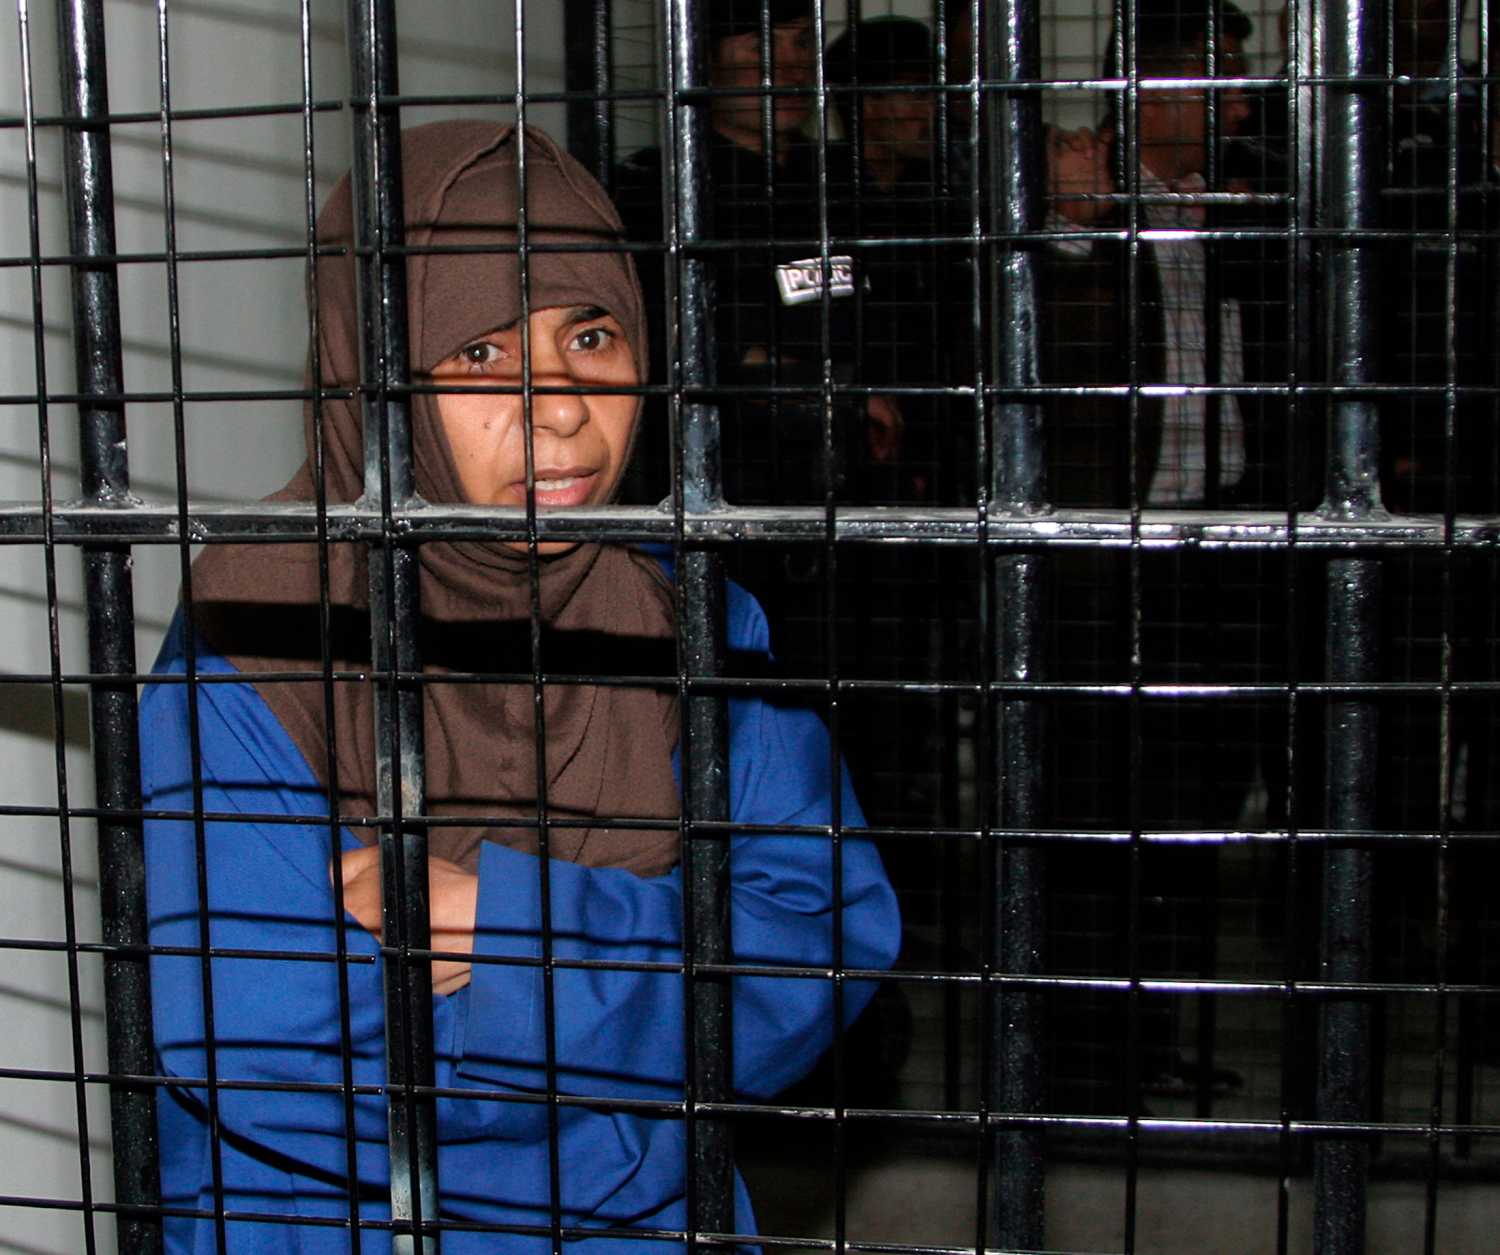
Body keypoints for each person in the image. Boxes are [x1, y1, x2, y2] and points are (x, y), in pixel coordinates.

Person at [140, 120, 900, 1255]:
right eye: (483, 352)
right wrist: (628, 1100)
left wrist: (518, 934)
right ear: (373, 372)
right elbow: (262, 1043)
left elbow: (820, 941)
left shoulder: (686, 617)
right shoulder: (261, 636)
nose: (561, 406)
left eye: (592, 333)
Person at [1036, 0, 1302, 1113]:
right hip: (1114, 561)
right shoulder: (1074, 200)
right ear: (1151, 85)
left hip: (1223, 541)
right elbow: (1036, 336)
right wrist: (1071, 225)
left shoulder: (1247, 202)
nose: (1240, 96)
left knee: (1197, 802)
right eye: (1220, 74)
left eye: (1242, 72)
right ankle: (1084, 1056)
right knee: (1098, 812)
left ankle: (1157, 1034)